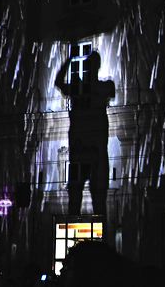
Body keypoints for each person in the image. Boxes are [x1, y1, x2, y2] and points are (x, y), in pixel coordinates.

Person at [55, 51, 115, 215]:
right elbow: (59, 83)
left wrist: (69, 59)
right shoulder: (97, 87)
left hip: (86, 149)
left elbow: (59, 82)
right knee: (89, 199)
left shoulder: (81, 87)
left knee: (84, 198)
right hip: (89, 149)